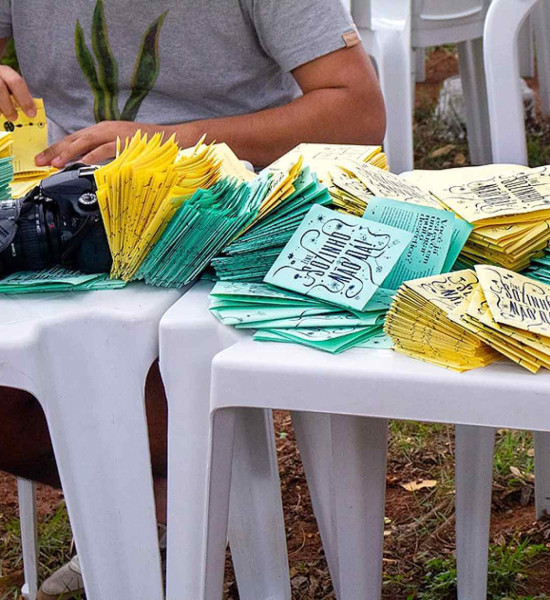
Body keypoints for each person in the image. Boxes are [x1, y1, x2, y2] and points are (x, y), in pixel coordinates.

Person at [0, 0, 385, 598]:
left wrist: (162, 141)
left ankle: (155, 516)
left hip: (224, 212)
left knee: (148, 382)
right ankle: (160, 509)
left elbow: (357, 112)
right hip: (55, 214)